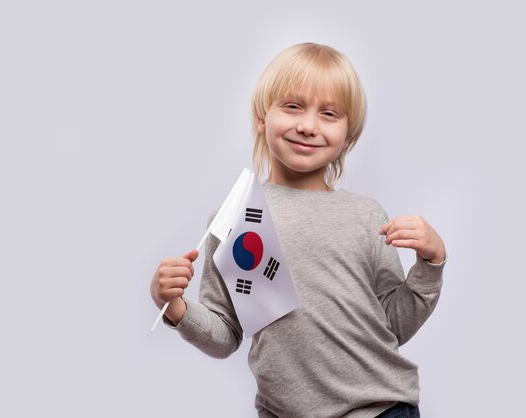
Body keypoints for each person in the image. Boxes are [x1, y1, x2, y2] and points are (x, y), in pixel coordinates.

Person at [150, 43, 446, 418]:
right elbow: (225, 334)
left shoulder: (366, 215)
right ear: (262, 117)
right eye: (292, 106)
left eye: (329, 114)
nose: (307, 125)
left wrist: (431, 263)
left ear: (347, 138)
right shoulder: (235, 218)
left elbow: (393, 326)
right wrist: (173, 306)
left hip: (381, 409)